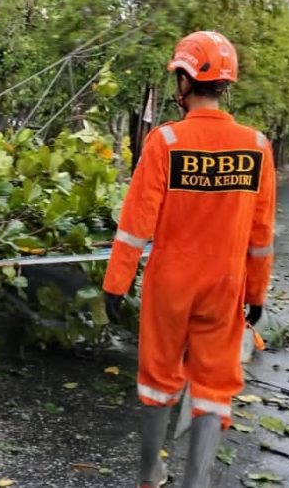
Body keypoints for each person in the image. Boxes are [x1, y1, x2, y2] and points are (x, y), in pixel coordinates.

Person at [102, 31, 276, 487]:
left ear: (184, 80)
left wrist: (116, 284)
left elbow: (135, 224)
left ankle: (149, 475)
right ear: (225, 84)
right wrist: (256, 293)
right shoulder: (257, 147)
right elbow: (261, 236)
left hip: (170, 285)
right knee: (215, 388)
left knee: (158, 379)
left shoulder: (167, 141)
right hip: (226, 286)